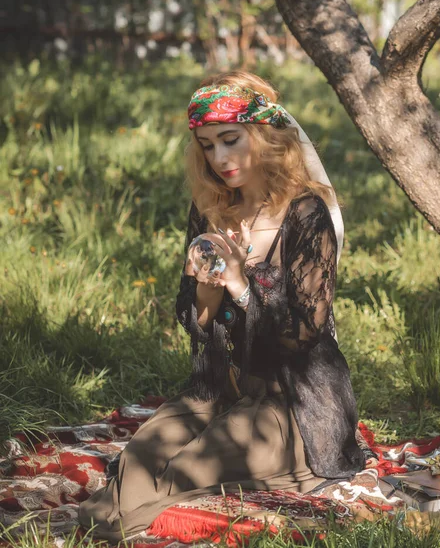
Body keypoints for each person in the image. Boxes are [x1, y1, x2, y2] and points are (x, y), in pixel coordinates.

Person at [78, 71, 366, 542]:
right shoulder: (212, 207)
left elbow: (303, 334)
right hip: (222, 385)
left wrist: (240, 285)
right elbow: (199, 325)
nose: (220, 158)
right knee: (139, 460)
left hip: (292, 400)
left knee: (187, 470)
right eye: (207, 145)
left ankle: (120, 531)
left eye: (230, 140)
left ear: (263, 135)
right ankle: (97, 528)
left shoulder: (306, 213)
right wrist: (208, 291)